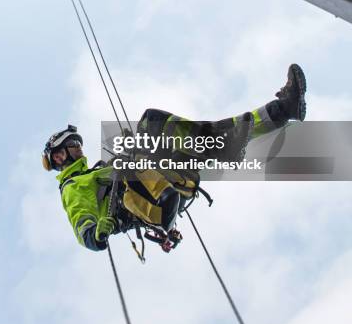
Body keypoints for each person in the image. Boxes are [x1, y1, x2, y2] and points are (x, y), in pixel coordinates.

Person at [42, 64, 307, 252]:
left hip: (163, 184)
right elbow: (81, 219)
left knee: (164, 123)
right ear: (60, 155)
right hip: (146, 198)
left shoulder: (97, 172)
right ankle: (227, 145)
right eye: (73, 145)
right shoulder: (73, 186)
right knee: (141, 144)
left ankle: (283, 110)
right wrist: (94, 234)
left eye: (77, 143)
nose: (79, 148)